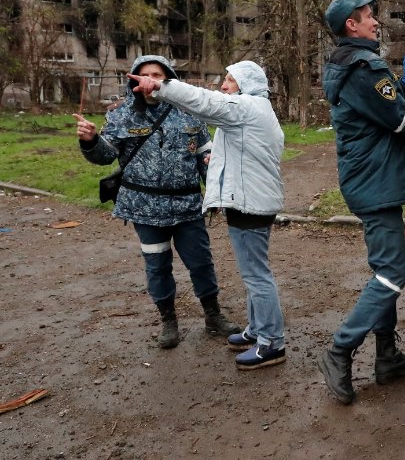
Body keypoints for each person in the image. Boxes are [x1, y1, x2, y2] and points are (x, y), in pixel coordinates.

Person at [128, 61, 287, 371]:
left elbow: (203, 101)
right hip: (252, 201)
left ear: (245, 85)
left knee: (256, 275)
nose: (224, 85)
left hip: (248, 204)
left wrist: (161, 87)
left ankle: (272, 342)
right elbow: (252, 153)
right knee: (254, 273)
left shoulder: (245, 107)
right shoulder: (258, 111)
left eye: (230, 80)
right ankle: (257, 330)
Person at [315, 0, 405, 404]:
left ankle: (387, 358)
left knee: (386, 272)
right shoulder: (364, 66)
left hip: (370, 178)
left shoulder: (353, 65)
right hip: (375, 182)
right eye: (369, 16)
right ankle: (340, 350)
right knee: (391, 275)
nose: (376, 21)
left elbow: (385, 107)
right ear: (352, 24)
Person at [74, 55, 240, 349]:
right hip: (144, 209)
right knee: (157, 265)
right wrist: (90, 140)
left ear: (168, 79)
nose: (150, 79)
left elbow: (205, 155)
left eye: (157, 74)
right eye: (144, 74)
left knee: (201, 263)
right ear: (133, 80)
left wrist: (216, 187)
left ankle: (213, 317)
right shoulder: (122, 115)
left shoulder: (189, 112)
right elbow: (106, 155)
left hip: (187, 206)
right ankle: (168, 322)